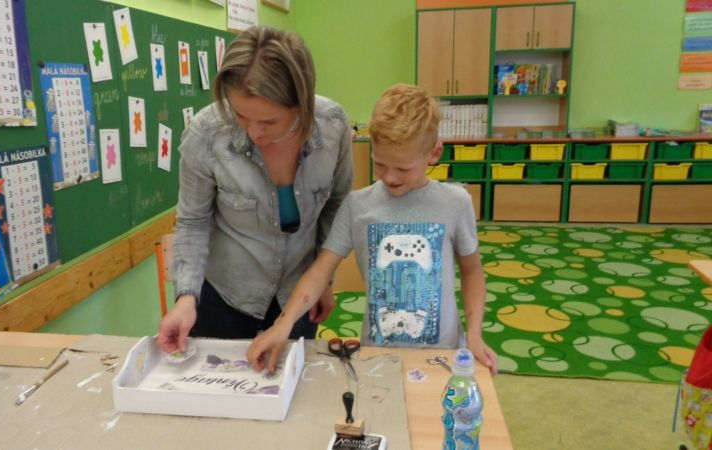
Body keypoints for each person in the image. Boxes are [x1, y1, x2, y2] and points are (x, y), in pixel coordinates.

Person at [246, 83, 498, 375]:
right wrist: (284, 323)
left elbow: (472, 272)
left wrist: (475, 333)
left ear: (434, 153)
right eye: (380, 164)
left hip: (443, 354)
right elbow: (320, 272)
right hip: (377, 356)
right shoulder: (358, 205)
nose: (390, 177)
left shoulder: (455, 203)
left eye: (403, 169)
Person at [157, 26, 353, 354]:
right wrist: (186, 298)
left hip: (297, 296)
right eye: (240, 115)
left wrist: (323, 280)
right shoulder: (206, 133)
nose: (254, 132)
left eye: (270, 122)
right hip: (225, 298)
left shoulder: (332, 126)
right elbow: (193, 222)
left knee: (294, 381)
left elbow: (337, 207)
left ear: (301, 104)